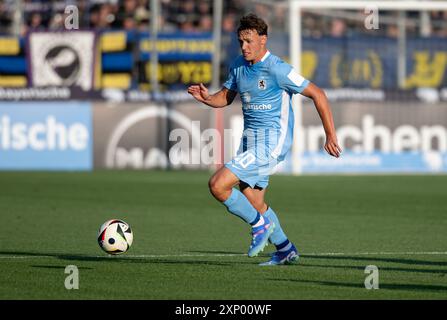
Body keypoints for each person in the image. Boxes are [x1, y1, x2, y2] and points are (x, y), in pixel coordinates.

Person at [187, 13, 341, 266]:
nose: (244, 47)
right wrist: (206, 97)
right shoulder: (238, 65)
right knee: (254, 200)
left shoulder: (277, 69)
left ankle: (260, 227)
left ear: (263, 40)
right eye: (241, 42)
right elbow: (225, 97)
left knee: (218, 185)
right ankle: (284, 249)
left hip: (271, 142)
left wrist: (330, 135)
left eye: (249, 41)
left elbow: (318, 94)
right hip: (251, 140)